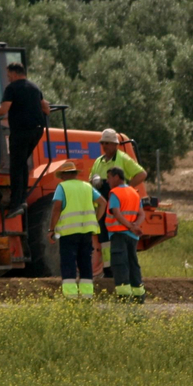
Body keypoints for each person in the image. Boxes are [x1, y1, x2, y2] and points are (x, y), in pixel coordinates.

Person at [0, 61, 49, 216]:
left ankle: (17, 203)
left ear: (15, 73)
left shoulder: (12, 88)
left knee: (16, 166)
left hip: (21, 132)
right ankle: (22, 199)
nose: (8, 77)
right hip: (37, 130)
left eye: (9, 74)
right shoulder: (35, 87)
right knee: (22, 163)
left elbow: (4, 109)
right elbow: (46, 109)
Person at [88, 127, 147, 278]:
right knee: (104, 238)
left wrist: (126, 189)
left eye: (108, 143)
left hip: (117, 203)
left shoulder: (123, 158)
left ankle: (119, 269)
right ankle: (109, 270)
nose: (105, 146)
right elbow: (90, 180)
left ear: (115, 144)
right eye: (103, 143)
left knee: (118, 237)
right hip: (102, 205)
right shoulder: (98, 162)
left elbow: (141, 174)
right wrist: (94, 182)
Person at [47, 161, 101, 299]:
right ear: (74, 174)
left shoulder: (62, 187)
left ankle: (70, 296)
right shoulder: (87, 186)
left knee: (68, 262)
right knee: (85, 263)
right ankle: (87, 295)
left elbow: (57, 208)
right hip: (86, 232)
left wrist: (51, 229)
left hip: (68, 232)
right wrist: (95, 219)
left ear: (64, 175)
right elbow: (103, 203)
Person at [105, 166, 146, 302]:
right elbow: (142, 213)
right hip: (132, 236)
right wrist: (135, 226)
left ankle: (124, 296)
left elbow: (116, 213)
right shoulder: (134, 192)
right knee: (133, 263)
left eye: (109, 177)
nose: (107, 181)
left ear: (117, 177)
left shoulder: (115, 193)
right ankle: (139, 295)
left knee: (119, 264)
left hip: (118, 234)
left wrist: (130, 226)